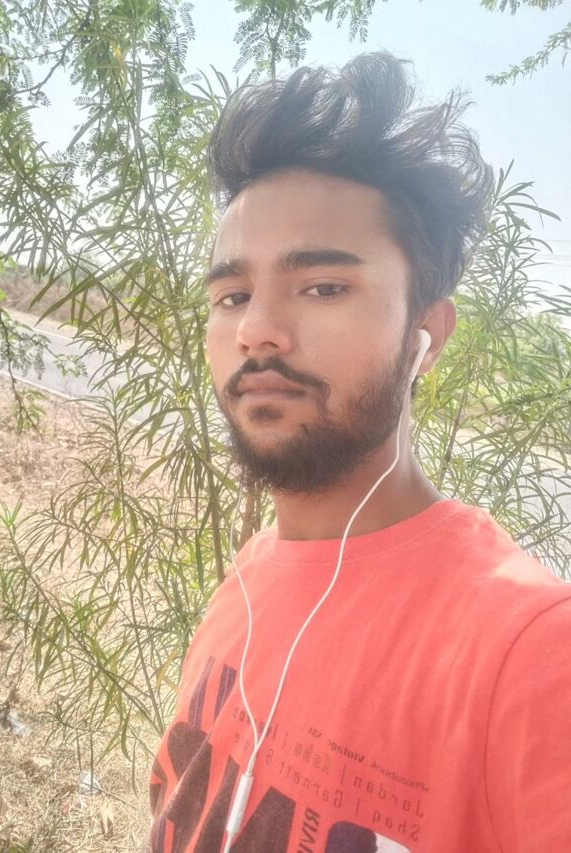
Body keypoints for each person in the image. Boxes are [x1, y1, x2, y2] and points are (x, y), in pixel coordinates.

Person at [144, 52, 571, 852]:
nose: (257, 330)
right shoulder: (250, 576)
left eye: (323, 288)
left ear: (425, 335)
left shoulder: (529, 653)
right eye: (232, 296)